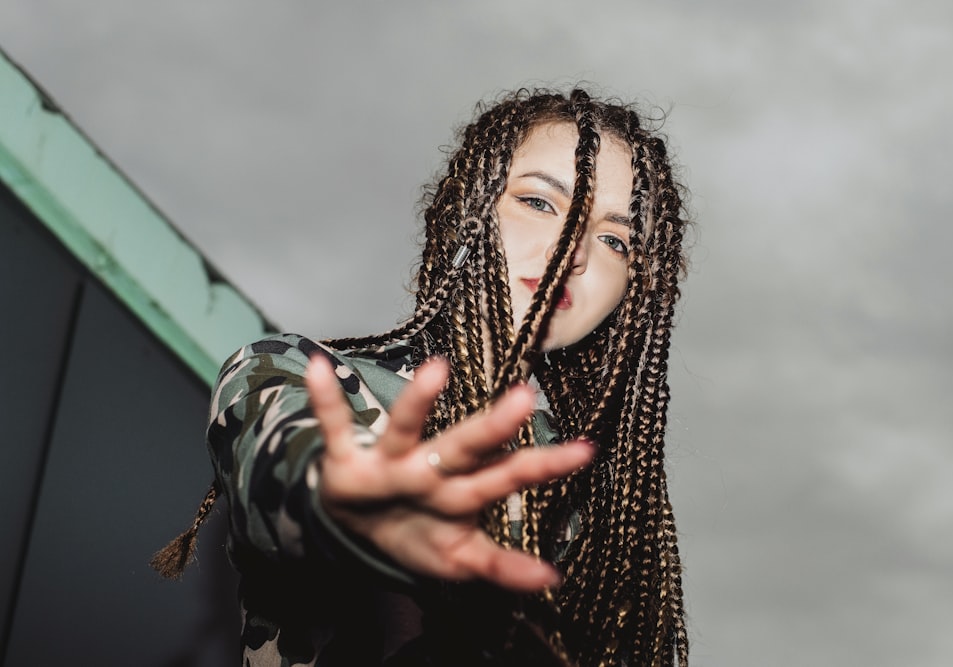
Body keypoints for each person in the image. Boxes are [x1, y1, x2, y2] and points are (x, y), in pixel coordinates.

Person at [153, 88, 692, 667]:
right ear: (470, 211)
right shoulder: (302, 376)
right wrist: (345, 497)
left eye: (615, 239)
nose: (576, 249)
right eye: (540, 202)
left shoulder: (605, 504)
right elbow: (282, 464)